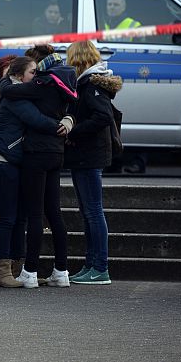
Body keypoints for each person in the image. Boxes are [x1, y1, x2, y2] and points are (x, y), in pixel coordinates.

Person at [0, 56, 65, 287]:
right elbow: (37, 119)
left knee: (20, 217)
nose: (37, 76)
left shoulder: (18, 91)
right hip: (4, 159)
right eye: (33, 72)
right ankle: (3, 272)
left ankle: (17, 269)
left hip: (15, 159)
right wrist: (61, 127)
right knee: (9, 217)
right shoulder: (15, 96)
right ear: (20, 75)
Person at [64, 40, 122, 285]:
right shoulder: (89, 83)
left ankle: (100, 267)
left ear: (77, 60)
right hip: (86, 155)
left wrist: (73, 131)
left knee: (93, 212)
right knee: (88, 212)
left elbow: (102, 117)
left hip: (89, 155)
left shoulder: (91, 85)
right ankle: (91, 264)